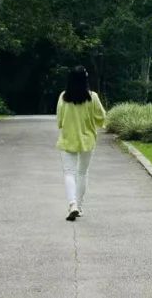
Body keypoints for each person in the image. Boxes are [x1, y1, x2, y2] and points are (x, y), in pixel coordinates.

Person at [56, 66, 107, 221]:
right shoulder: (93, 97)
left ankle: (72, 204)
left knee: (69, 172)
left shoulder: (63, 96)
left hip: (67, 138)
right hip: (87, 139)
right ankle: (79, 205)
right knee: (82, 173)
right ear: (85, 79)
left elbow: (60, 118)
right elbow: (101, 117)